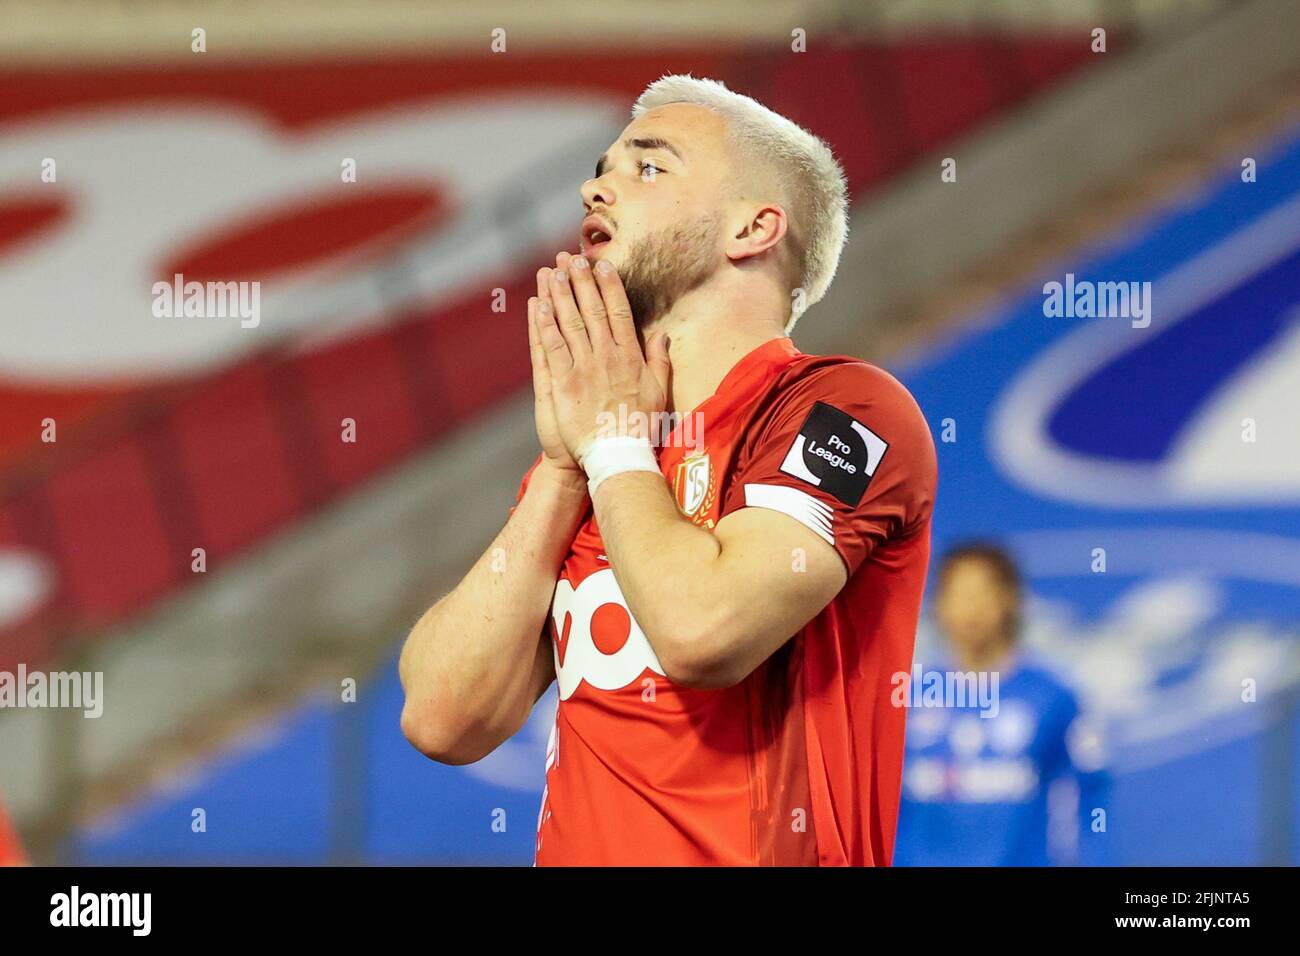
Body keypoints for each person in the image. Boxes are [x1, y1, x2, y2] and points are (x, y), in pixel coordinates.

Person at [399, 74, 936, 865]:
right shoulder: (603, 455)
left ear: (753, 229)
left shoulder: (845, 410)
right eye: (603, 165)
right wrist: (562, 466)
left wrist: (610, 446)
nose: (595, 187)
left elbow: (702, 632)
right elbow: (444, 717)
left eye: (648, 167)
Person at [894, 543, 1110, 866]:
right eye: (957, 594)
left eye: (982, 593)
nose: (971, 609)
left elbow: (1088, 795)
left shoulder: (1054, 696)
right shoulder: (906, 698)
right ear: (938, 604)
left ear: (1010, 599)